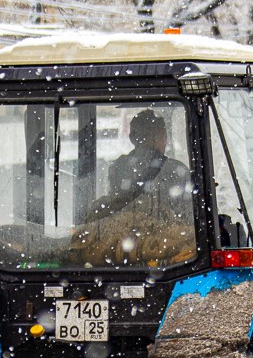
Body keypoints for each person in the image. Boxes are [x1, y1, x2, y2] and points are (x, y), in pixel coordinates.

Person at [73, 109, 195, 266]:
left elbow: (115, 204)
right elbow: (189, 218)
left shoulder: (118, 166)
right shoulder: (176, 170)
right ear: (160, 136)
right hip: (167, 260)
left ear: (132, 138)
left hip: (122, 256)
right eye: (162, 135)